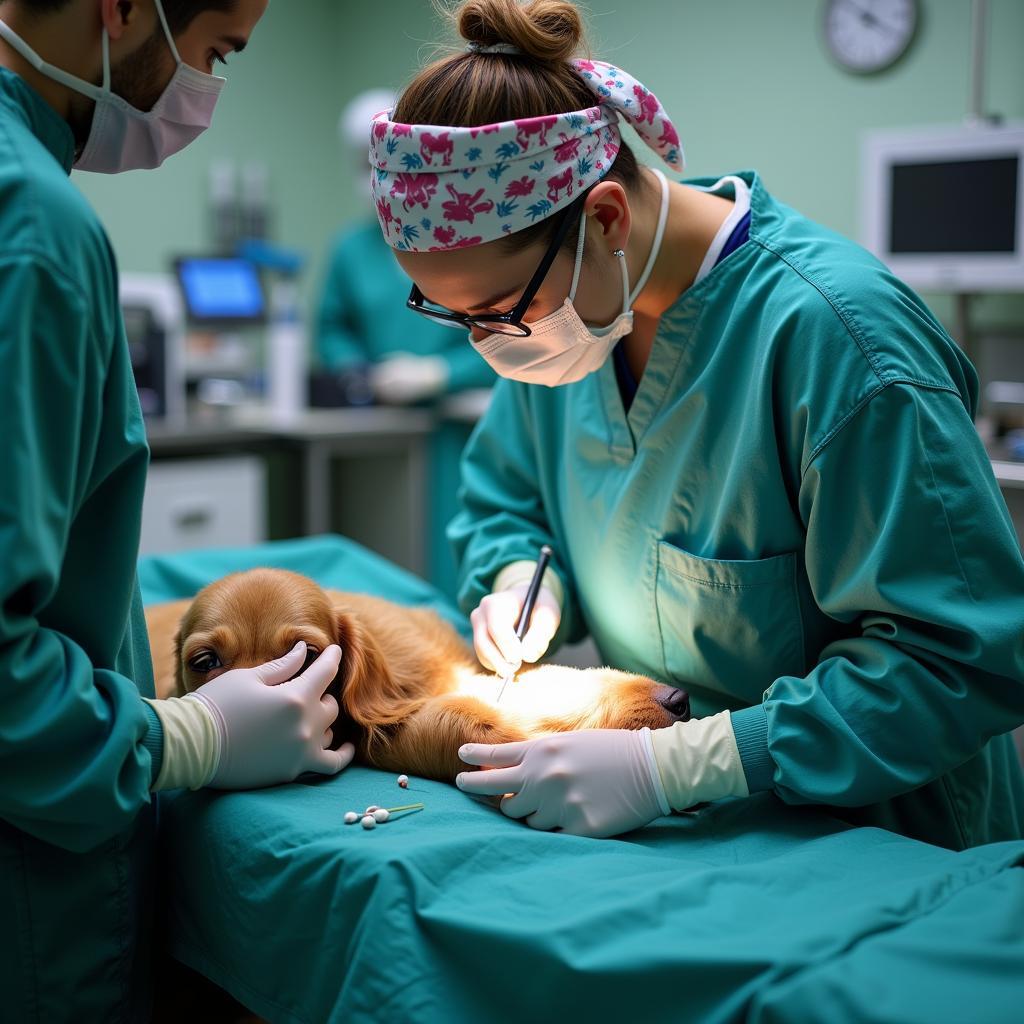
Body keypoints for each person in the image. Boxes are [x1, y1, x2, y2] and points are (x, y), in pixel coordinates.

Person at [369, 0, 1024, 846]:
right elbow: (510, 499)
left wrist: (684, 764)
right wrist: (517, 582)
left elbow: (958, 660)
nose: (491, 346)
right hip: (683, 834)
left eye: (496, 311)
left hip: (878, 842)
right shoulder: (569, 325)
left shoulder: (840, 341)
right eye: (456, 318)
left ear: (604, 218)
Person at [0, 2, 352, 1018]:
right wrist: (180, 739)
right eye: (216, 51)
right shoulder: (33, 226)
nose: (205, 89)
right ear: (119, 8)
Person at [316, 88, 495, 404]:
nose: (374, 176)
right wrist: (357, 373)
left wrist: (440, 372)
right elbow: (332, 328)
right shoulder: (351, 248)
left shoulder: (467, 241)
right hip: (378, 419)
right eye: (365, 164)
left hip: (458, 419)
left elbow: (510, 339)